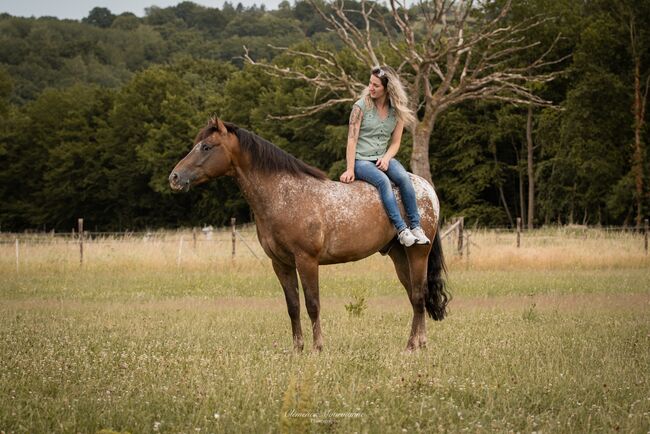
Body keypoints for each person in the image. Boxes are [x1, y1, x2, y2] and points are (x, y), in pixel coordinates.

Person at [340, 65, 430, 247]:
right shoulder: (360, 107)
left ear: (387, 89)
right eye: (370, 83)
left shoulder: (397, 112)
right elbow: (351, 140)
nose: (370, 88)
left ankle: (416, 227)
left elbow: (396, 142)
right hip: (361, 161)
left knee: (405, 179)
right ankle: (401, 230)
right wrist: (350, 169)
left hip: (383, 157)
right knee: (383, 182)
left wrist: (387, 158)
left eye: (376, 85)